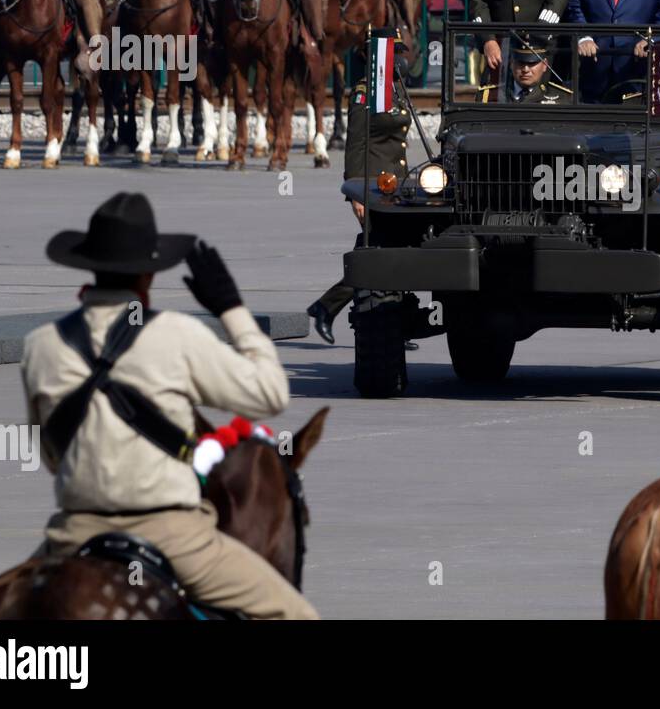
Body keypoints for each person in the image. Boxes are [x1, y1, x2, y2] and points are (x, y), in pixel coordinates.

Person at [21, 192, 316, 620]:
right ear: (148, 274)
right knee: (298, 616)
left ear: (90, 264)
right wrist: (231, 308)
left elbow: (52, 456)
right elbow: (271, 393)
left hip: (72, 535)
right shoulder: (177, 334)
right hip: (173, 537)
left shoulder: (40, 345)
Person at [306, 78, 411, 345]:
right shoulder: (367, 89)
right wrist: (357, 192)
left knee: (391, 252)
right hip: (374, 188)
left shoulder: (395, 86)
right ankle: (328, 306)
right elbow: (356, 142)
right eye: (395, 50)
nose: (401, 57)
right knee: (384, 254)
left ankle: (331, 308)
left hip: (395, 184)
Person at [477, 45, 574, 103]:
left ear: (545, 65)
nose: (525, 69)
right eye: (520, 62)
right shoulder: (488, 95)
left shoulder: (561, 97)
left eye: (532, 63)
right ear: (511, 64)